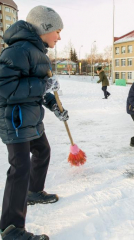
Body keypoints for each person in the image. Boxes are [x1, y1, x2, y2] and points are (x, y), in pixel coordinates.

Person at [0, 6, 68, 240]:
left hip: (30, 118)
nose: (59, 37)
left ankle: (34, 191)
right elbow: (6, 88)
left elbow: (37, 92)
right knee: (20, 169)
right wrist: (43, 86)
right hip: (16, 120)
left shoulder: (38, 52)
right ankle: (11, 229)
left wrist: (54, 106)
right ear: (44, 28)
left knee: (43, 150)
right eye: (57, 31)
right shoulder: (17, 51)